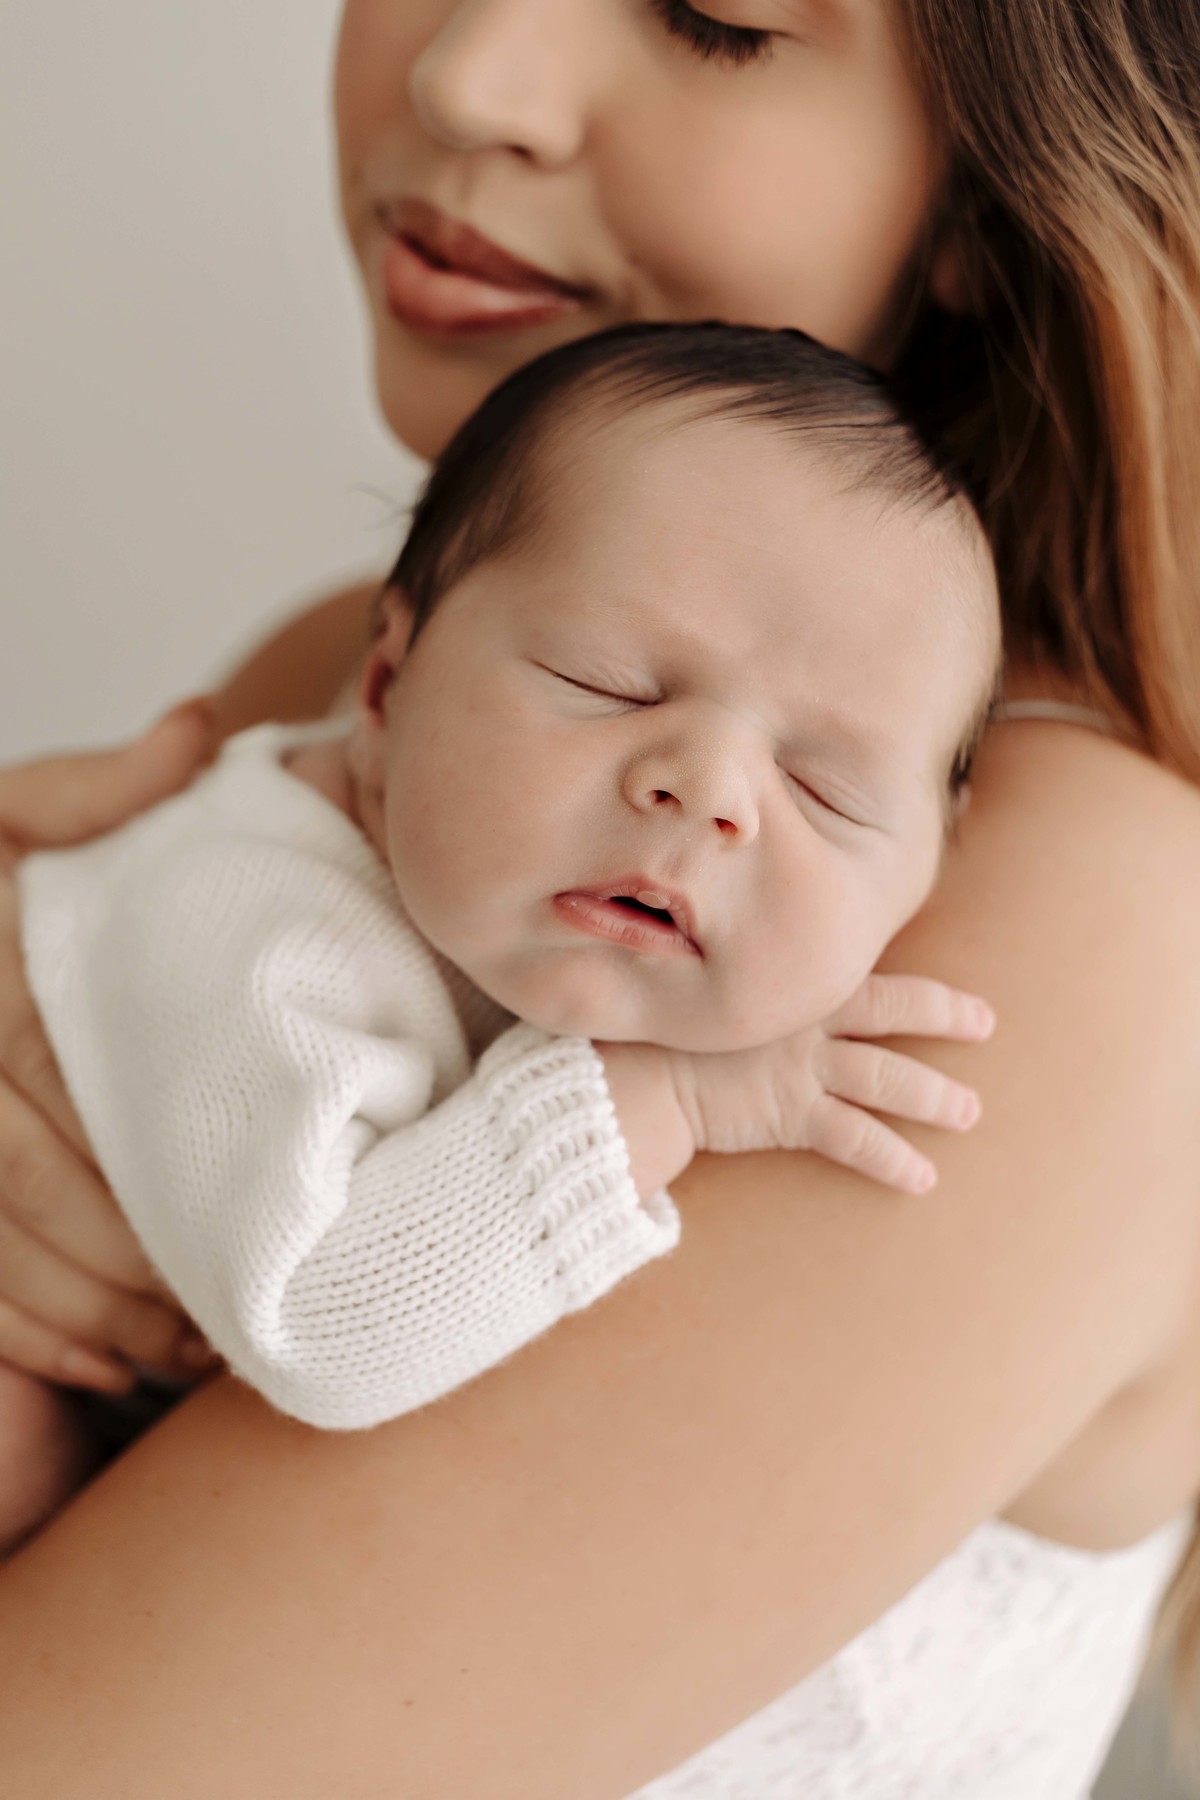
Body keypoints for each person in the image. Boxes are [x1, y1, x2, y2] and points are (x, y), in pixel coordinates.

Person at [0, 1, 1199, 1794]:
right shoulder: (334, 684)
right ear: (407, 680)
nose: (465, 71)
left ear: (988, 188)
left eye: (716, 16)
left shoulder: (1084, 931)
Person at [7, 324, 997, 1536]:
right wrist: (655, 1102)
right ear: (385, 688)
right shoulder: (256, 925)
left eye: (828, 792)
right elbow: (324, 1320)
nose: (711, 791)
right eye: (611, 683)